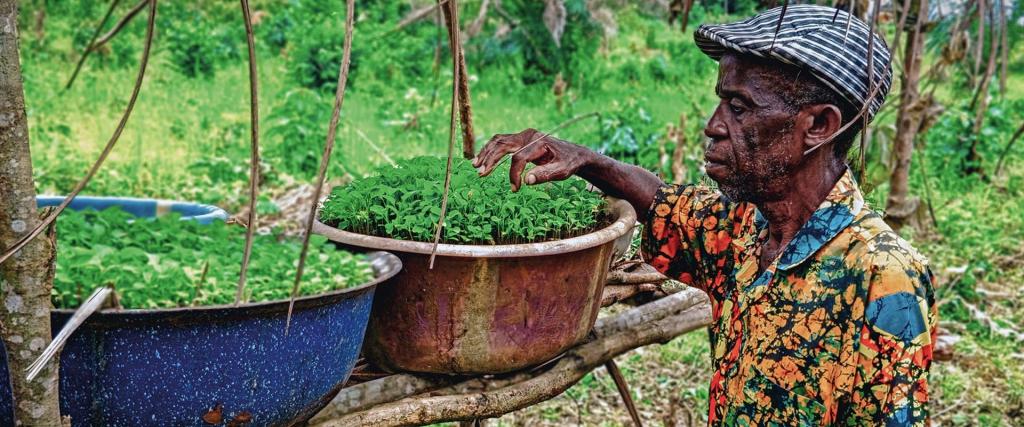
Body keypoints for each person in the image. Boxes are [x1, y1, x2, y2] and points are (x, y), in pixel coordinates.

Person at [472, 5, 936, 426]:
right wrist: (587, 161)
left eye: (739, 107)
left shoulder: (883, 277)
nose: (713, 125)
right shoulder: (746, 229)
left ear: (818, 125)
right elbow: (664, 204)